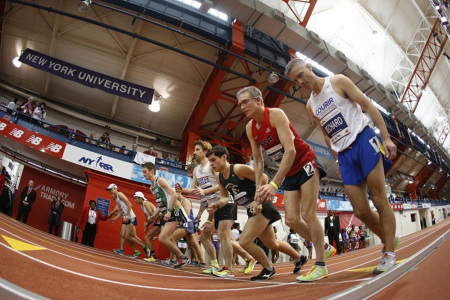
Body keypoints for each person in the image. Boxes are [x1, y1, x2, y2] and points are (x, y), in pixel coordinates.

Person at [285, 58, 398, 274]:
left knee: (379, 199)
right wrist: (336, 157)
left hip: (364, 140)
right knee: (360, 210)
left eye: (300, 75)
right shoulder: (311, 105)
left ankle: (389, 251)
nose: (300, 81)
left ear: (309, 67)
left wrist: (386, 137)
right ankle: (389, 238)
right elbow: (326, 133)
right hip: (345, 155)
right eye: (295, 80)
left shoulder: (337, 82)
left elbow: (367, 105)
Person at [237, 86, 335, 282]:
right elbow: (258, 160)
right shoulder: (250, 128)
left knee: (308, 213)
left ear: (259, 100)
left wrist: (273, 184)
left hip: (305, 162)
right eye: (239, 104)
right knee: (291, 219)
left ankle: (321, 265)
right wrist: (258, 189)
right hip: (289, 171)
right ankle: (324, 246)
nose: (242, 106)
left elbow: (290, 151)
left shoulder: (275, 115)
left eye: (245, 101)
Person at [207, 145, 308, 280]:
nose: (211, 164)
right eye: (210, 161)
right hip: (252, 210)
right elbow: (225, 196)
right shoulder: (220, 177)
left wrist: (257, 200)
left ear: (224, 157)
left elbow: (265, 178)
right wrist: (218, 205)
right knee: (272, 243)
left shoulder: (238, 169)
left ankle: (268, 268)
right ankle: (299, 257)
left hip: (262, 206)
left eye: (213, 160)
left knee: (244, 241)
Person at [141, 162, 191, 269]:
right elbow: (160, 204)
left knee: (164, 238)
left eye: (145, 172)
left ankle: (182, 258)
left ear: (151, 171)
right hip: (167, 212)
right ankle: (180, 258)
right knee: (164, 238)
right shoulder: (151, 188)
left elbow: (174, 194)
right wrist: (154, 216)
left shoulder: (161, 181)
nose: (143, 174)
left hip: (175, 210)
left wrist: (169, 211)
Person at [107, 184, 150, 258]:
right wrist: (115, 218)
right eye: (109, 190)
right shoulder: (117, 199)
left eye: (111, 189)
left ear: (115, 188)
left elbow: (129, 204)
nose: (110, 192)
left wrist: (127, 216)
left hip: (131, 217)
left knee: (128, 236)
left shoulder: (120, 194)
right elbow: (121, 211)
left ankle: (144, 247)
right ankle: (124, 250)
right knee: (123, 235)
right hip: (125, 217)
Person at [133, 191, 159, 261]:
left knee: (147, 238)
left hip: (159, 222)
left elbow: (152, 216)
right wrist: (146, 225)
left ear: (141, 198)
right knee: (148, 238)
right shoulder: (142, 205)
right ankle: (154, 256)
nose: (135, 200)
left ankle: (154, 257)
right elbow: (147, 217)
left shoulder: (146, 203)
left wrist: (147, 224)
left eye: (136, 198)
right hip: (157, 222)